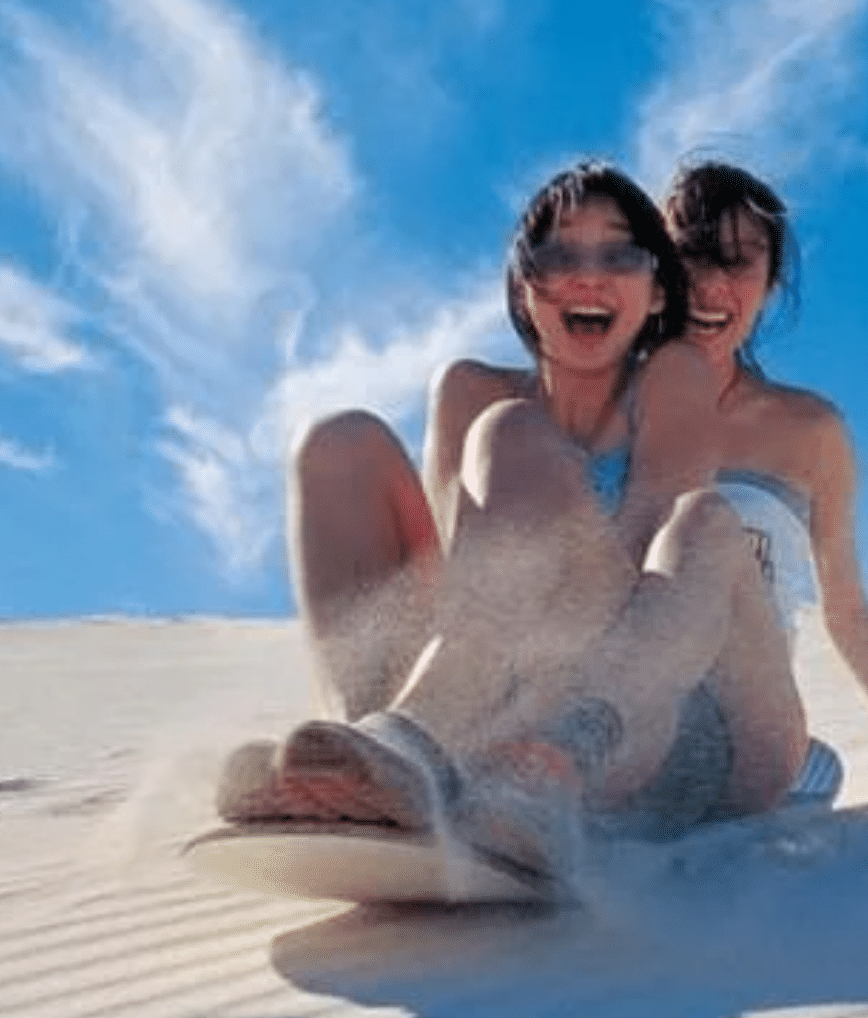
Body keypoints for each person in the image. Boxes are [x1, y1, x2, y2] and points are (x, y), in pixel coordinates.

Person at [220, 161, 809, 867]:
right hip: (501, 696)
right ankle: (373, 762)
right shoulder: (470, 393)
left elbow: (648, 595)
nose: (588, 278)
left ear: (657, 292)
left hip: (658, 716)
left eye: (619, 256)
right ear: (525, 289)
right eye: (560, 257)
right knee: (340, 441)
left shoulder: (671, 376)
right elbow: (457, 598)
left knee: (694, 521)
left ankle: (472, 752)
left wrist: (547, 705)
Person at [661, 161, 868, 798]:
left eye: (739, 261)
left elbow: (848, 613)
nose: (710, 285)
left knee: (809, 771)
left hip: (750, 740)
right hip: (617, 727)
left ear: (771, 282)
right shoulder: (605, 409)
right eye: (691, 256)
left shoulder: (808, 432)